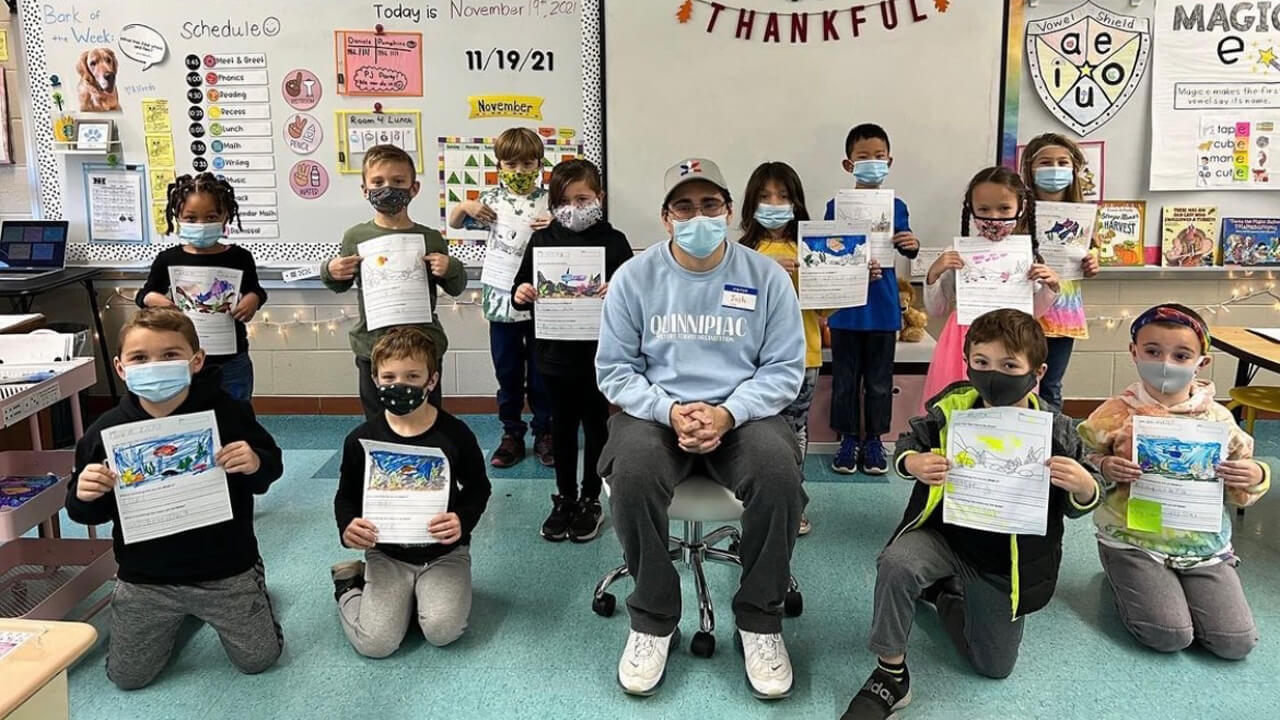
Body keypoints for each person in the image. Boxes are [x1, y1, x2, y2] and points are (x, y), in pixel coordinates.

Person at [596, 157, 806, 700]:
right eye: (684, 207)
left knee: (778, 473)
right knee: (635, 470)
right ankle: (653, 618)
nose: (698, 216)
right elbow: (615, 370)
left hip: (742, 414)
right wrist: (669, 411)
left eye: (710, 205)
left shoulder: (766, 277)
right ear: (667, 218)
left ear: (729, 211)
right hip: (656, 413)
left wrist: (727, 413)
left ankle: (760, 620)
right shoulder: (634, 278)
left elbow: (784, 368)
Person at [842, 309, 1103, 720]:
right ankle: (889, 673)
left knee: (993, 667)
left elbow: (1082, 500)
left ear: (1038, 371)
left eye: (1009, 365)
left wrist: (1085, 486)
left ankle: (945, 594)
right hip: (945, 537)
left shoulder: (1058, 430)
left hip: (1006, 562)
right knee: (897, 563)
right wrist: (912, 462)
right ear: (967, 362)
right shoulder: (952, 409)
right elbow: (909, 441)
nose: (993, 374)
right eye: (981, 363)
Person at [65, 308, 284, 689]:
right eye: (140, 358)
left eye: (170, 355)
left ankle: (255, 586)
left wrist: (254, 462)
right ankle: (179, 617)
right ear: (120, 368)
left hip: (225, 569)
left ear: (196, 360)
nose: (155, 365)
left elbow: (271, 468)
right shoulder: (105, 431)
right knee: (127, 678)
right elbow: (88, 510)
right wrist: (83, 493)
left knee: (258, 660)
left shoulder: (228, 414)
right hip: (146, 579)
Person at [1078, 304, 1269, 660]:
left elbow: (1245, 482)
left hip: (1202, 546)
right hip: (1133, 539)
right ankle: (1119, 571)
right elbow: (1081, 457)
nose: (1165, 362)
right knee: (1169, 635)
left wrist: (1256, 475)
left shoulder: (1219, 419)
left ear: (1202, 362)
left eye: (1181, 355)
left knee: (1235, 643)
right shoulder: (1114, 413)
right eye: (1152, 351)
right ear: (1134, 352)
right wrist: (1104, 465)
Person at [330, 328, 492, 657]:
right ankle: (349, 585)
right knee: (375, 644)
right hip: (387, 554)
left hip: (444, 554)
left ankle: (421, 599)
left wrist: (462, 519)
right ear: (375, 379)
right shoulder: (361, 439)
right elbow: (345, 495)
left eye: (412, 375)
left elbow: (479, 487)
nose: (399, 384)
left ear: (431, 381)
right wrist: (347, 526)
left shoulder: (455, 434)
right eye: (388, 376)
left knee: (443, 631)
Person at [739, 160, 866, 535]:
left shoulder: (811, 248)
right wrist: (768, 269)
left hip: (803, 356)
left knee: (794, 432)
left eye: (783, 195)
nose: (774, 203)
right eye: (765, 196)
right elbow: (732, 304)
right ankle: (756, 501)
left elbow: (826, 308)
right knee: (753, 432)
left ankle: (793, 503)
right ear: (750, 203)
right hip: (750, 360)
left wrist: (853, 278)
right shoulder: (740, 252)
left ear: (796, 202)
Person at [512, 159, 633, 542]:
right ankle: (564, 496)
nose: (574, 208)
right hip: (553, 352)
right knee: (561, 426)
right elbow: (520, 291)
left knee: (597, 424)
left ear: (600, 197)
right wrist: (524, 293)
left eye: (583, 199)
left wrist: (618, 288)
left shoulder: (614, 242)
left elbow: (634, 295)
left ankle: (591, 498)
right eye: (564, 201)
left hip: (600, 354)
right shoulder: (543, 240)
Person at [323, 144, 468, 420]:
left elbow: (455, 286)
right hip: (373, 345)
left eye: (398, 181)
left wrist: (451, 267)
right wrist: (330, 270)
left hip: (423, 346)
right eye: (378, 182)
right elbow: (340, 284)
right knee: (377, 418)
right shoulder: (356, 235)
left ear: (414, 188)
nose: (388, 188)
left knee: (428, 414)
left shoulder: (430, 238)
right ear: (365, 189)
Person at [449, 127, 555, 469]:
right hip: (500, 297)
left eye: (528, 164)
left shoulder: (551, 200)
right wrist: (466, 204)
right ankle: (511, 434)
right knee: (508, 372)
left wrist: (556, 222)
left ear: (540, 164)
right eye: (511, 164)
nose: (520, 172)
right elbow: (455, 222)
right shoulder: (490, 200)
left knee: (542, 373)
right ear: (499, 165)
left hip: (542, 298)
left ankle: (544, 433)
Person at [822, 124, 921, 476]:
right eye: (864, 157)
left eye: (879, 157)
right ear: (849, 165)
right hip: (846, 308)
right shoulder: (836, 205)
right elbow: (829, 250)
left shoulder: (897, 205)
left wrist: (911, 244)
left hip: (882, 307)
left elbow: (904, 245)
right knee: (845, 380)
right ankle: (848, 439)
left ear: (890, 161)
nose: (872, 163)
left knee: (880, 380)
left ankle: (875, 440)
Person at [920, 166, 1061, 409]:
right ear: (971, 210)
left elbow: (1033, 313)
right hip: (963, 339)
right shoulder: (955, 254)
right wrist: (934, 274)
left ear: (1021, 208)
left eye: (1004, 208)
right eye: (984, 209)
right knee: (959, 404)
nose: (994, 217)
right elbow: (936, 309)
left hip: (1016, 340)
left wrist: (1051, 287)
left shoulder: (1029, 257)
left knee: (1012, 402)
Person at [137, 173, 266, 402]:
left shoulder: (239, 257)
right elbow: (145, 294)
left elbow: (256, 289)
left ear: (225, 216)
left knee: (237, 416)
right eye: (191, 218)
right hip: (183, 359)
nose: (201, 225)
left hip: (231, 358)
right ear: (177, 217)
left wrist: (253, 299)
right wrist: (156, 300)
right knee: (190, 413)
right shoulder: (168, 259)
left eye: (210, 217)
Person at [1019, 133, 1103, 409]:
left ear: (1074, 169)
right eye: (1045, 162)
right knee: (1020, 379)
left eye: (1062, 162)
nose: (1054, 168)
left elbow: (1092, 255)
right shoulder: (1017, 210)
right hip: (1024, 307)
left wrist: (1093, 262)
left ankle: (1052, 441)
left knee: (1051, 382)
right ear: (1030, 169)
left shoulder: (1083, 214)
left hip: (1063, 312)